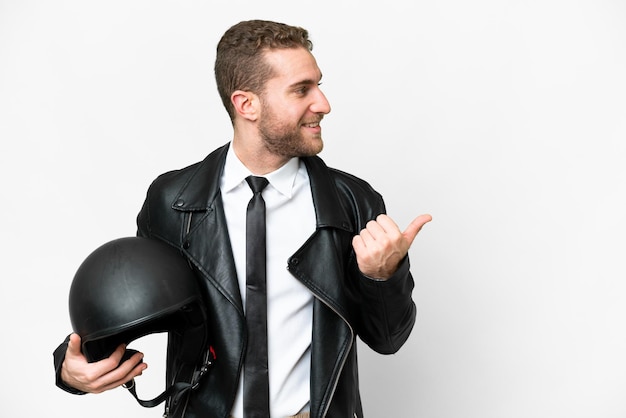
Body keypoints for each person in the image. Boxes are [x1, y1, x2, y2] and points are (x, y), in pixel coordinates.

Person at [53, 19, 432, 418]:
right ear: (246, 104)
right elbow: (130, 305)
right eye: (302, 90)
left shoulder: (352, 201)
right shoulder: (173, 202)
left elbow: (389, 337)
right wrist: (70, 367)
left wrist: (381, 276)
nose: (323, 103)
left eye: (318, 85)